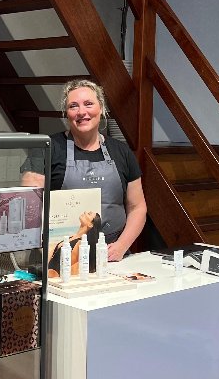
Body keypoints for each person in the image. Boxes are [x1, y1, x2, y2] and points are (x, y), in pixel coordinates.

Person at [21, 79, 146, 262]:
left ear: (101, 108)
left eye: (88, 104)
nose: (81, 112)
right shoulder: (46, 149)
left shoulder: (121, 152)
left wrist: (121, 246)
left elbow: (137, 207)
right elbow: (30, 208)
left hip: (111, 256)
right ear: (66, 113)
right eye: (73, 106)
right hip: (60, 255)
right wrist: (52, 252)